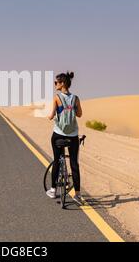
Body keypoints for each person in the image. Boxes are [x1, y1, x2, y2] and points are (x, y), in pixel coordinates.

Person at [46, 71, 83, 205]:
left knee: (57, 160)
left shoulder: (57, 98)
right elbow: (79, 115)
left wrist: (49, 116)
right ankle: (77, 194)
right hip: (73, 135)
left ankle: (53, 189)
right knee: (74, 164)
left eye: (56, 82)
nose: (55, 84)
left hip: (58, 134)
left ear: (62, 84)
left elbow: (51, 116)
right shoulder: (76, 98)